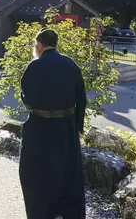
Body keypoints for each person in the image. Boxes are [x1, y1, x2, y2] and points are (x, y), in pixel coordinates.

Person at [19, 29, 87, 219]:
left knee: (35, 173)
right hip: (66, 127)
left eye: (35, 45)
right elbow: (81, 99)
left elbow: (27, 98)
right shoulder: (71, 64)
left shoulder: (35, 66)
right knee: (68, 173)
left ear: (40, 45)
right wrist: (77, 126)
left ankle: (41, 213)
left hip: (40, 128)